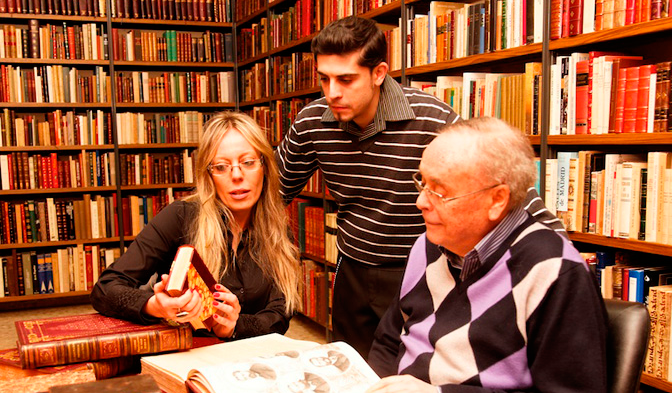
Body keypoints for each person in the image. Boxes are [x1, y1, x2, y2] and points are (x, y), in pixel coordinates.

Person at [275, 15, 565, 358]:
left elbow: (505, 192)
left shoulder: (432, 119)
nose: (332, 93)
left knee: (413, 370)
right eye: (324, 79)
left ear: (379, 73)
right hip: (351, 268)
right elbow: (272, 191)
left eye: (346, 79)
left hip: (421, 271)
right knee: (350, 369)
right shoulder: (312, 122)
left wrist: (562, 267)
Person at [367, 118, 607, 392]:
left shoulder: (554, 271)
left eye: (439, 190)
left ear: (497, 200)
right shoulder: (428, 244)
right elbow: (388, 342)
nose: (421, 201)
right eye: (422, 182)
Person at [91, 111, 301, 340]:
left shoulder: (278, 229)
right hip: (188, 355)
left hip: (252, 361)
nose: (237, 175)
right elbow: (105, 288)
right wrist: (154, 305)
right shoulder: (180, 216)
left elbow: (280, 314)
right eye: (221, 167)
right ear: (208, 175)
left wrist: (234, 326)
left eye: (248, 162)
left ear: (265, 166)